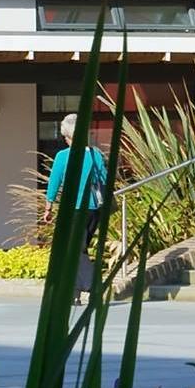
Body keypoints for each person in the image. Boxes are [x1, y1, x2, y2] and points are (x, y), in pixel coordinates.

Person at [45, 113, 109, 298]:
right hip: (94, 209)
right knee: (76, 249)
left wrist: (48, 206)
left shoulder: (63, 156)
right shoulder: (95, 154)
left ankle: (93, 285)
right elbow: (105, 179)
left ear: (69, 136)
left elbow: (54, 182)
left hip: (73, 209)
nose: (64, 140)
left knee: (73, 249)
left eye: (65, 136)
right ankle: (73, 293)